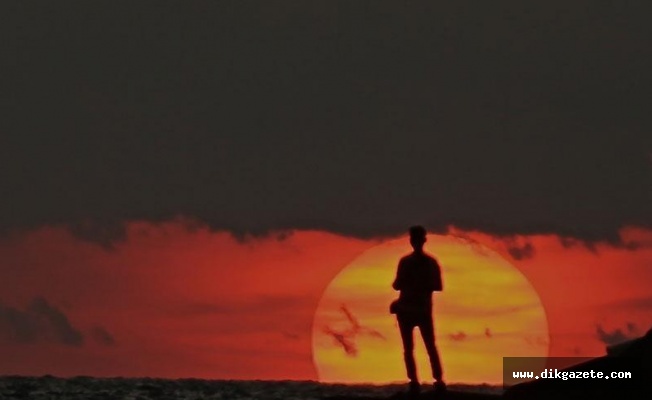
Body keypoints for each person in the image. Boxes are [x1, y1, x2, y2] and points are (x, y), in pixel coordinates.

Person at [391, 225, 445, 395]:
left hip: (417, 310)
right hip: (412, 310)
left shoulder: (420, 262)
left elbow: (437, 286)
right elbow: (397, 284)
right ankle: (419, 381)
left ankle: (432, 381)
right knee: (415, 348)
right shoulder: (421, 262)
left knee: (424, 347)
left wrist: (414, 284)